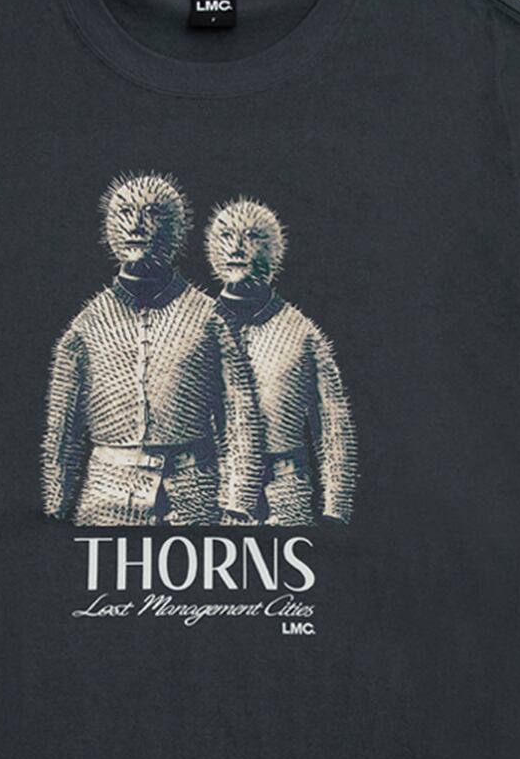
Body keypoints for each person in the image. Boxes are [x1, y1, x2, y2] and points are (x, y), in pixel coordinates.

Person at [43, 171, 264, 525]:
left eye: (153, 214)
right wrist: (54, 509)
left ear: (176, 227)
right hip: (106, 500)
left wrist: (238, 501)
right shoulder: (86, 327)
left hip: (196, 499)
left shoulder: (210, 320)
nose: (137, 226)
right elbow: (62, 433)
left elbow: (239, 417)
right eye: (125, 214)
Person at [207, 197, 356, 524]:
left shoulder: (302, 335)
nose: (237, 248)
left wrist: (336, 506)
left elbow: (332, 426)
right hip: (210, 490)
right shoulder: (194, 329)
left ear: (275, 249)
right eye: (227, 237)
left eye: (251, 237)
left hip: (286, 494)